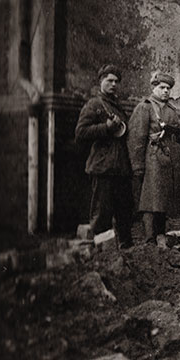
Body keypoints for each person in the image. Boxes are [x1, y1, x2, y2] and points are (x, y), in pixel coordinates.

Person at [127, 71, 180, 248]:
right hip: (153, 157)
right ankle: (149, 238)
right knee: (151, 198)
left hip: (170, 160)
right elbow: (136, 139)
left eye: (168, 88)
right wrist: (137, 165)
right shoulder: (145, 107)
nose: (165, 91)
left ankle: (161, 235)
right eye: (162, 87)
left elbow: (179, 135)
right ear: (153, 88)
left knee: (163, 199)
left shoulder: (171, 110)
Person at [75, 64, 133, 249]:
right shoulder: (94, 105)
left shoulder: (119, 107)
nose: (114, 84)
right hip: (102, 168)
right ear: (101, 81)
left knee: (124, 212)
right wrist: (105, 128)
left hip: (120, 169)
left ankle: (126, 254)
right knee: (102, 214)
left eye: (116, 81)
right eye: (109, 81)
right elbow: (80, 132)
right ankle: (102, 256)